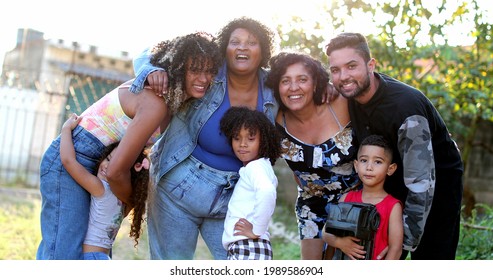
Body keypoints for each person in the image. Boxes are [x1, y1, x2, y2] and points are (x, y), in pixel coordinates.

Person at [36, 32, 221, 259]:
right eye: (195, 69)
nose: (204, 78)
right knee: (62, 255)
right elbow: (115, 172)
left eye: (210, 71)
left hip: (96, 167)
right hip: (73, 160)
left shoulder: (173, 101)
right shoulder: (156, 102)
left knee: (86, 255)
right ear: (178, 67)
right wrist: (129, 200)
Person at [130, 17, 279, 260]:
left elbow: (303, 81)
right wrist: (152, 70)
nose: (242, 47)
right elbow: (145, 55)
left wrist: (323, 87)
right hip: (178, 187)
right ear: (225, 47)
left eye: (251, 42)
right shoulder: (208, 69)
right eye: (235, 42)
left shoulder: (274, 84)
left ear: (263, 49)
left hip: (235, 200)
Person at [325, 32, 464, 260]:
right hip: (391, 179)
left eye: (351, 66)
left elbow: (421, 184)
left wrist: (402, 243)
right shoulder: (351, 95)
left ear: (371, 65)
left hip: (436, 185)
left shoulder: (405, 108)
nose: (343, 76)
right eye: (335, 70)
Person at [264, 51, 360, 259]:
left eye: (302, 80)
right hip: (311, 205)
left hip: (355, 203)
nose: (293, 87)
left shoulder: (341, 104)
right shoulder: (275, 120)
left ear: (316, 83)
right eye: (285, 81)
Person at [60, 113, 150, 260]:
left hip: (89, 258)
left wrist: (66, 129)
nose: (107, 166)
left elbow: (68, 161)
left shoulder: (100, 188)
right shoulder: (130, 200)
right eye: (108, 159)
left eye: (115, 164)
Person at [323, 134, 403, 260]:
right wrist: (340, 243)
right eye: (364, 160)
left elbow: (396, 248)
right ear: (356, 165)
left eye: (378, 162)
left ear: (390, 169)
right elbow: (325, 232)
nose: (369, 167)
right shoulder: (346, 198)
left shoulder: (392, 206)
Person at [219, 106, 282, 260]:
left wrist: (256, 230)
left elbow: (267, 192)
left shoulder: (256, 167)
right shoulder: (261, 166)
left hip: (248, 246)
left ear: (264, 140)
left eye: (251, 138)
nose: (243, 144)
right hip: (249, 247)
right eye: (237, 138)